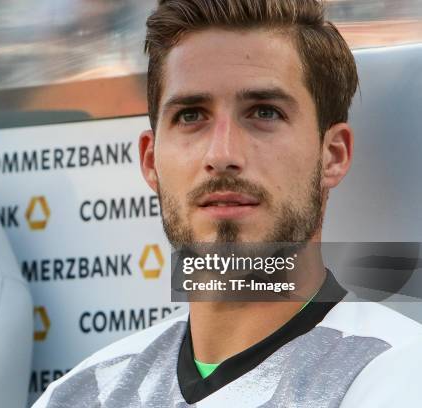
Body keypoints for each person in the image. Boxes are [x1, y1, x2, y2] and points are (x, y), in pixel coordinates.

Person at [33, 1, 422, 406]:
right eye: (190, 116)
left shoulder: (398, 375)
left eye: (264, 112)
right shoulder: (79, 393)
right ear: (151, 162)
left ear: (333, 155)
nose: (222, 153)